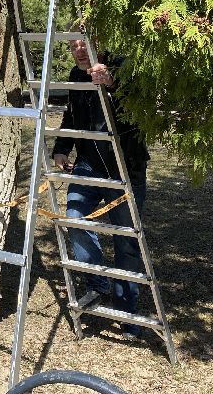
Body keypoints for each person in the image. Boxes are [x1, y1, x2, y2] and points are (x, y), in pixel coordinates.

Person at [51, 32, 148, 335]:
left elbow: (139, 107)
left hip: (125, 168)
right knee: (75, 218)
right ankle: (97, 282)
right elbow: (71, 117)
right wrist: (61, 148)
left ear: (99, 41)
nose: (78, 50)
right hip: (89, 164)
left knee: (126, 240)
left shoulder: (121, 67)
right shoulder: (74, 75)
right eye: (73, 45)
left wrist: (112, 83)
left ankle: (127, 311)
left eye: (84, 43)